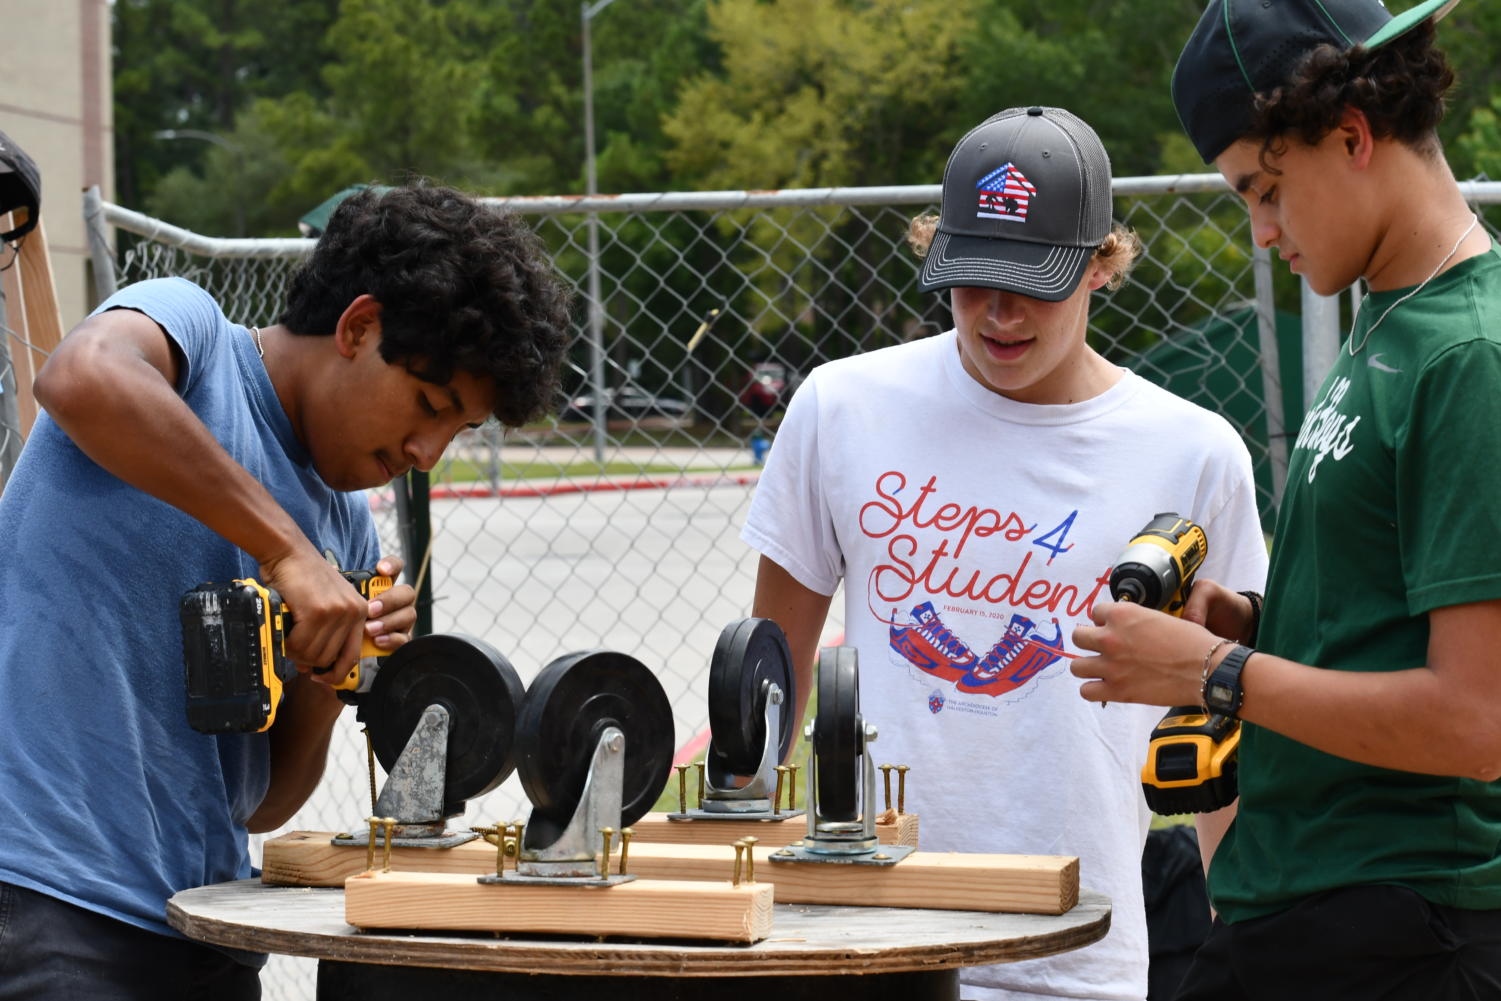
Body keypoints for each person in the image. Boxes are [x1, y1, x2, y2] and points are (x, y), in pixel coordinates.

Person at [741, 105, 1269, 1001]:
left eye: (1035, 280)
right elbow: (766, 672)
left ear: (1103, 264)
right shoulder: (842, 408)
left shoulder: (1191, 452)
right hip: (866, 936)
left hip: (1077, 947)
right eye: (972, 277)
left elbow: (1220, 723)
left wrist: (1249, 942)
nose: (998, 311)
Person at [0, 182, 572, 999]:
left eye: (459, 430)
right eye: (429, 405)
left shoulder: (344, 530)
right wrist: (284, 550)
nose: (427, 451)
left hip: (204, 925)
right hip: (48, 904)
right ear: (358, 326)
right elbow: (79, 377)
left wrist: (336, 670)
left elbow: (263, 802)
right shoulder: (190, 334)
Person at [1070, 2, 1501, 998]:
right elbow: (1380, 621)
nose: (1260, 231)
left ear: (1350, 135)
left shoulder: (1467, 354)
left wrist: (1219, 669)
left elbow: (1475, 718)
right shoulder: (1389, 312)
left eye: (1263, 190)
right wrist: (1246, 622)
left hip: (1404, 924)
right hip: (1317, 901)